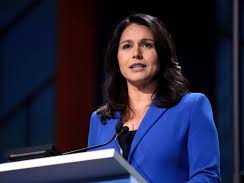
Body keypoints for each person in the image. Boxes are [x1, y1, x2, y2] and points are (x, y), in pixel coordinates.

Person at [88, 13, 221, 183]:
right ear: (117, 57)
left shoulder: (191, 107)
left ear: (161, 54)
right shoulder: (100, 120)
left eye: (146, 45)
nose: (136, 53)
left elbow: (207, 177)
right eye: (127, 46)